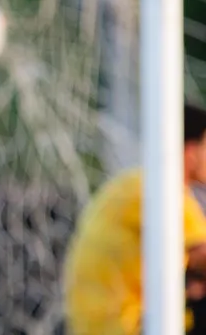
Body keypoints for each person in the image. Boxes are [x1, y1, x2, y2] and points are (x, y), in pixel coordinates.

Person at [63, 101, 206, 335]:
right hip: (126, 325)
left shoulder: (133, 184)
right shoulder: (161, 190)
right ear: (191, 151)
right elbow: (202, 256)